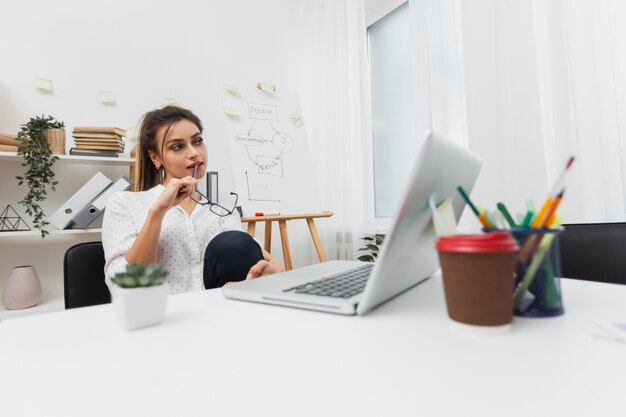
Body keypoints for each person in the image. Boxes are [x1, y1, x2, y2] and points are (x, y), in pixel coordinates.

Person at [102, 106, 283, 294]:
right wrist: (159, 211)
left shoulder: (223, 211)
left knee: (236, 243)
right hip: (161, 317)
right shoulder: (125, 203)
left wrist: (272, 271)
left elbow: (252, 260)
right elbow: (124, 286)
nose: (194, 153)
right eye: (177, 146)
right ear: (155, 158)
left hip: (219, 314)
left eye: (197, 141)